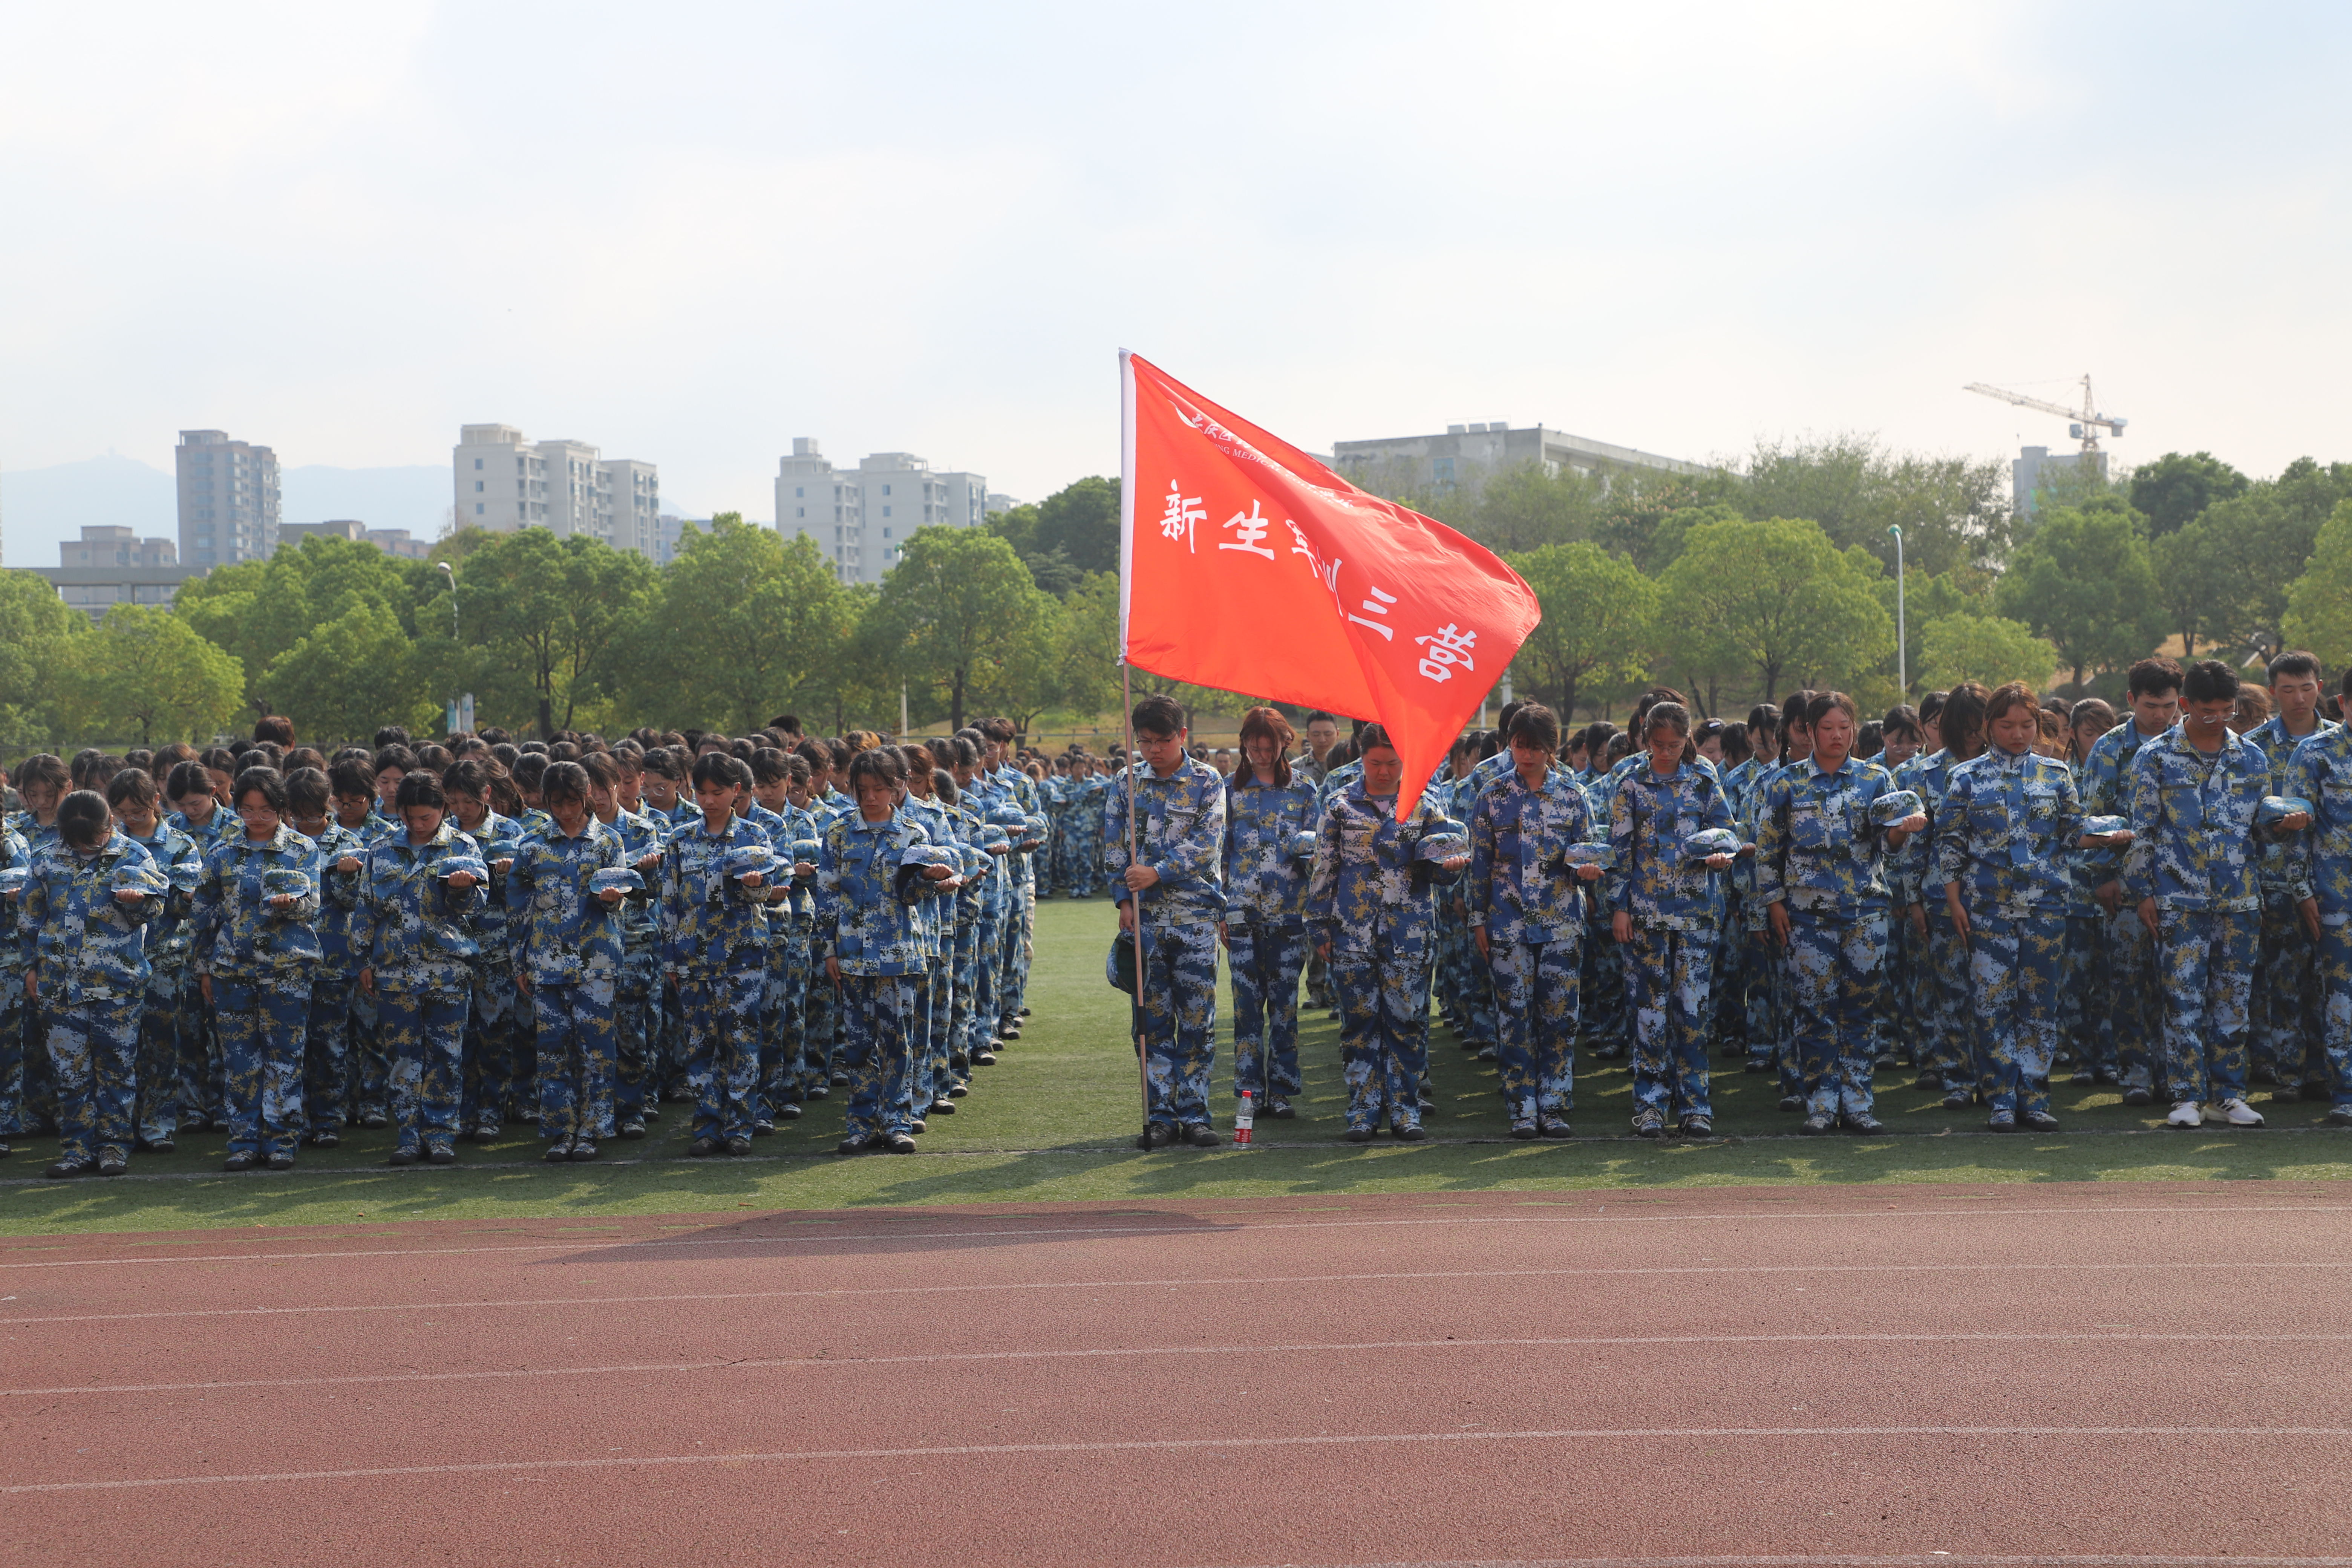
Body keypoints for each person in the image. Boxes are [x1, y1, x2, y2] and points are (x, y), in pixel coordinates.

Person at [1753, 692, 1923, 1135]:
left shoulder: (1875, 779)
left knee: (1861, 1010)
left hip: (1865, 913)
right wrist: (1773, 903)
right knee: (1815, 1010)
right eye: (1827, 728)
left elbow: (1887, 845)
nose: (1837, 736)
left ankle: (1859, 1103)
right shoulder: (1786, 783)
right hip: (1807, 917)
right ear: (1810, 731)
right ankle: (1822, 1103)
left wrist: (1902, 832)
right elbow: (1768, 850)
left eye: (1844, 727)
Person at [2125, 658, 2278, 1129]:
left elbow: (2262, 832)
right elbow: (2143, 831)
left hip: (2239, 900)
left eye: (2226, 710)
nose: (2217, 719)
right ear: (2187, 704)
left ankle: (2228, 1095)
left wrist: (2284, 826)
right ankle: (2188, 1096)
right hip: (2179, 900)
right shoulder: (2154, 757)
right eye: (2208, 710)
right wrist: (2143, 892)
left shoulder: (2252, 757)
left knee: (2233, 1002)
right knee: (2182, 1000)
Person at [1934, 684, 2086, 1131]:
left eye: (2026, 725)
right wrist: (1954, 901)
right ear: (1988, 727)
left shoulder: (2056, 774)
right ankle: (2001, 1098)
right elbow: (1950, 845)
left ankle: (2034, 1097)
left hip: (2045, 907)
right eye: (2006, 725)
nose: (2018, 733)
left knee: (2039, 1003)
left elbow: (2073, 831)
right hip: (1988, 908)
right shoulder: (1965, 777)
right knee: (1992, 1003)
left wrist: (2108, 836)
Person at [1317, 722, 1467, 1141]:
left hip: (1409, 932)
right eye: (1375, 763)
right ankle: (1363, 1111)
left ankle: (1405, 1109)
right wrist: (1319, 925)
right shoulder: (1340, 805)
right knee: (1358, 1022)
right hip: (1352, 930)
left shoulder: (1425, 805)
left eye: (1392, 763)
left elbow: (1440, 867)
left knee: (1407, 1021)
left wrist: (1451, 868)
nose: (1383, 772)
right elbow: (1325, 867)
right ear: (1360, 757)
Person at [814, 747, 957, 1155]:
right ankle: (861, 1123)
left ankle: (897, 1121)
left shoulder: (914, 833)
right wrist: (828, 949)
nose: (871, 797)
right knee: (858, 1045)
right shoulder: (839, 833)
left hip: (898, 953)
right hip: (852, 954)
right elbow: (827, 896)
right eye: (863, 790)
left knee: (897, 1042)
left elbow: (913, 897)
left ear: (897, 787)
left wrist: (929, 879)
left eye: (879, 788)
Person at [1608, 702, 1738, 1137]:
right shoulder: (1631, 781)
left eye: (1675, 745)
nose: (1666, 752)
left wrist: (1722, 856)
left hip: (1696, 913)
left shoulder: (1703, 776)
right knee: (1649, 1013)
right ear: (1646, 740)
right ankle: (1650, 1105)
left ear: (1687, 740)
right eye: (1658, 744)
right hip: (1645, 913)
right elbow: (1619, 850)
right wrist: (1619, 906)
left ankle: (1695, 1105)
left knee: (1692, 1011)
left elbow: (1725, 831)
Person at [1105, 694, 1229, 1147]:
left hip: (1196, 918)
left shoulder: (1207, 780)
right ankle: (1160, 1115)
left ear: (1183, 735)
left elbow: (1207, 844)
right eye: (1144, 741)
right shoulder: (1126, 781)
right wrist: (1124, 900)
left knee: (1197, 1020)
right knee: (1151, 1022)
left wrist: (1157, 871)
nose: (1153, 750)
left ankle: (1195, 1114)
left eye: (1163, 740)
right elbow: (1114, 846)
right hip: (1146, 921)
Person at [21, 790, 167, 1177]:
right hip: (59, 985)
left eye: (95, 839)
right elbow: (30, 918)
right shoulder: (46, 858)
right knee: (70, 1073)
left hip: (115, 984)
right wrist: (30, 968)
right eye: (79, 841)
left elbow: (156, 908)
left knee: (116, 1069)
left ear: (110, 824)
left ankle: (114, 1147)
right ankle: (77, 1149)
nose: (87, 847)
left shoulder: (134, 856)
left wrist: (137, 902)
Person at [191, 767, 322, 1172]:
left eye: (265, 810)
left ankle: (282, 1140)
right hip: (232, 971)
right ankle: (244, 1141)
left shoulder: (302, 849)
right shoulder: (222, 852)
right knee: (239, 1061)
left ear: (281, 808)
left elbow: (313, 906)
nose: (256, 818)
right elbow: (203, 914)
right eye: (247, 810)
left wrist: (291, 904)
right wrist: (204, 968)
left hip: (287, 970)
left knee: (285, 1057)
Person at [354, 771, 486, 1165]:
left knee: (446, 1055)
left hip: (447, 971)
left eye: (426, 816)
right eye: (409, 817)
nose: (417, 824)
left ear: (443, 809)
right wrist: (362, 960)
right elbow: (365, 908)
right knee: (403, 1058)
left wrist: (462, 890)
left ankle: (441, 1134)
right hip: (394, 971)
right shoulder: (381, 850)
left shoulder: (462, 846)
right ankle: (409, 1135)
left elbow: (478, 907)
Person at [506, 760, 626, 1162]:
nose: (565, 811)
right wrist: (519, 963)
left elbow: (623, 898)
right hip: (546, 963)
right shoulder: (532, 845)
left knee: (597, 1050)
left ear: (587, 795)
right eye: (556, 804)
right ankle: (561, 1130)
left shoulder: (608, 841)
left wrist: (614, 899)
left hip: (596, 962)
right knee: (553, 1051)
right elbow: (518, 909)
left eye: (572, 802)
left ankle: (593, 1129)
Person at [2083, 657, 2185, 1105]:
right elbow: (2096, 816)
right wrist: (2105, 874)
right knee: (2128, 981)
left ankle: (2172, 1072)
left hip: (2180, 885)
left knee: (2177, 985)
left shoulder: (2189, 744)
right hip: (2125, 886)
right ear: (2131, 700)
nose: (2160, 715)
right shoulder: (2110, 749)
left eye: (2168, 706)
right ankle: (2136, 1074)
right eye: (2150, 706)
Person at [2243, 651, 2338, 1101]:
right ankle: (2290, 1073)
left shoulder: (2339, 741)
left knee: (2328, 981)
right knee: (2283, 980)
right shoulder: (2253, 747)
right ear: (2272, 692)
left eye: (2307, 687)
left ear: (2320, 687)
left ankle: (2324, 1069)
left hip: (2333, 882)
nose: (2299, 698)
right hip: (2275, 881)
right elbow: (2243, 817)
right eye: (2288, 689)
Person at [1220, 706, 1319, 1121]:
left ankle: (1280, 1090)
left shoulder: (1305, 790)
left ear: (1285, 744)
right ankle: (1249, 1091)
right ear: (1244, 744)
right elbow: (1221, 854)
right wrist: (1220, 910)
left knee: (1284, 1006)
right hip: (1242, 913)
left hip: (1289, 915)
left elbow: (1319, 855)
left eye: (1269, 747)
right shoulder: (1228, 790)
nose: (1261, 754)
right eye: (1254, 747)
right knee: (1246, 1007)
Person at [107, 769, 202, 1153]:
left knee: (162, 1043)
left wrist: (171, 896)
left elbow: (183, 905)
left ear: (156, 803)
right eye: (122, 812)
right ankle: (122, 1124)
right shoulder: (109, 844)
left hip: (164, 958)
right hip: (117, 960)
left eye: (138, 811)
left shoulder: (180, 844)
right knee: (119, 1048)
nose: (130, 819)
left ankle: (158, 1124)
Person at [286, 767, 367, 1147]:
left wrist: (348, 876)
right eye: (298, 815)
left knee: (331, 1045)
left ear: (328, 805)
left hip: (333, 961)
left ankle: (329, 1119)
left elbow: (355, 903)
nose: (305, 823)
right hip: (287, 961)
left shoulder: (348, 843)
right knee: (290, 1046)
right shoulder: (281, 842)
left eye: (313, 815)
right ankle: (296, 1117)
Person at [2285, 668, 2352, 1125]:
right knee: (2341, 997)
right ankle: (2346, 1090)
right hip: (2336, 898)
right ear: (2343, 703)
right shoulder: (2315, 753)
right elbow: (2294, 830)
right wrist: (2302, 889)